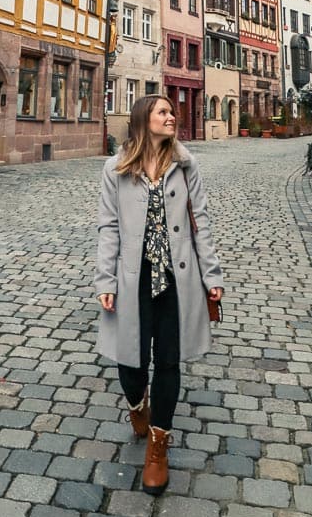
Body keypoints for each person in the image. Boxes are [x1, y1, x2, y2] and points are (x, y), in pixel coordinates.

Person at [94, 95, 224, 494]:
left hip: (175, 278)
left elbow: (200, 220)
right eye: (163, 112)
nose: (172, 117)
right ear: (143, 120)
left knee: (168, 362)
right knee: (130, 363)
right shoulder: (115, 169)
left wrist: (212, 275)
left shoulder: (186, 165)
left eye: (172, 112)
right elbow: (109, 227)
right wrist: (105, 280)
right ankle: (137, 406)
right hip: (132, 279)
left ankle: (158, 446)